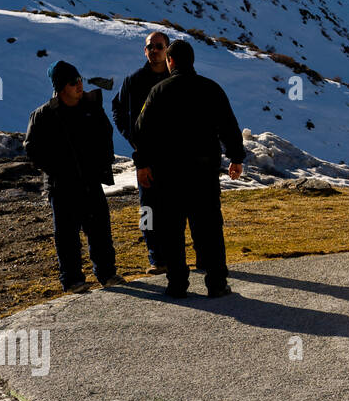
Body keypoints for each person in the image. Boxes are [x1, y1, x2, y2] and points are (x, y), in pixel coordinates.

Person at [134, 40, 246, 298]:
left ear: (170, 61)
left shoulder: (159, 91)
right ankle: (216, 282)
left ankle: (177, 284)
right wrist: (236, 157)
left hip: (169, 173)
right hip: (203, 172)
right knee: (208, 227)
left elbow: (142, 132)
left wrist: (143, 163)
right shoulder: (211, 89)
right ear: (192, 61)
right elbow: (229, 126)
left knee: (171, 229)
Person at [24, 60, 123, 293]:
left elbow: (106, 135)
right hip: (62, 186)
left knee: (100, 229)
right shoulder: (43, 115)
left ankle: (107, 274)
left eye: (79, 80)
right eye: (73, 82)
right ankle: (72, 280)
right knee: (67, 235)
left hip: (90, 181)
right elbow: (33, 149)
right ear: (60, 87)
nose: (79, 85)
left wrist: (102, 162)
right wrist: (57, 170)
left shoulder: (91, 107)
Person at [111, 30, 171, 273]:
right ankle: (156, 258)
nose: (154, 50)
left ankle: (176, 253)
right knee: (148, 208)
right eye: (150, 47)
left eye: (159, 46)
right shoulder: (134, 80)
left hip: (176, 154)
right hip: (146, 154)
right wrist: (131, 137)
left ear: (167, 50)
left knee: (175, 206)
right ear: (145, 50)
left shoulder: (175, 77)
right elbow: (117, 108)